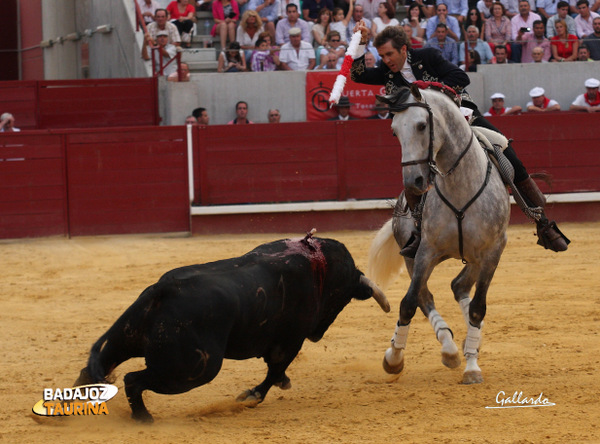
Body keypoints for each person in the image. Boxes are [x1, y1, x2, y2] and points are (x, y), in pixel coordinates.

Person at [349, 23, 569, 254]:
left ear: (404, 49)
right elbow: (358, 74)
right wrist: (360, 44)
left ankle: (542, 222)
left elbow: (460, 76)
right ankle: (418, 232)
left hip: (459, 118)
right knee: (414, 172)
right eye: (382, 56)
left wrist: (432, 90)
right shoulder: (387, 72)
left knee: (505, 152)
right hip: (426, 132)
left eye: (389, 54)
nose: (386, 60)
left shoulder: (427, 56)